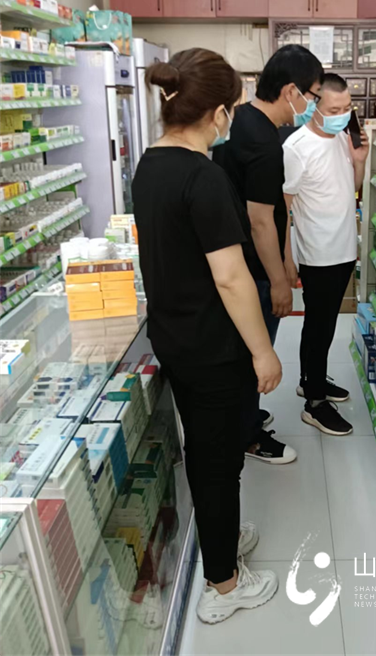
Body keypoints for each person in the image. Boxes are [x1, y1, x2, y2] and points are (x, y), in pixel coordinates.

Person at [132, 48, 282, 623]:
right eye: (233, 109)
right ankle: (224, 584)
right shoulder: (204, 176)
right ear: (218, 112)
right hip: (214, 347)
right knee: (218, 460)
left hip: (175, 336)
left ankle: (221, 535)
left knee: (206, 448)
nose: (233, 118)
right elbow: (230, 276)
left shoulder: (150, 164)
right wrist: (263, 351)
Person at [213, 44, 324, 462]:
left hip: (237, 257)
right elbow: (260, 219)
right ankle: (248, 436)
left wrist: (286, 257)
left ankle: (245, 417)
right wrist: (278, 280)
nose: (312, 105)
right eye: (312, 95)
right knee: (255, 353)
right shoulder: (264, 141)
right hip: (254, 268)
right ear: (291, 91)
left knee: (241, 350)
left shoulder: (240, 120)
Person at [283, 74, 369, 435]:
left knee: (325, 324)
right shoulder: (296, 147)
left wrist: (359, 161)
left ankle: (311, 381)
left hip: (344, 247)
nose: (342, 115)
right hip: (318, 254)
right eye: (334, 110)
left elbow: (352, 189)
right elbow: (283, 207)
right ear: (314, 106)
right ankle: (314, 404)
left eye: (347, 108)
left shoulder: (341, 139)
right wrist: (287, 259)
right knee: (319, 327)